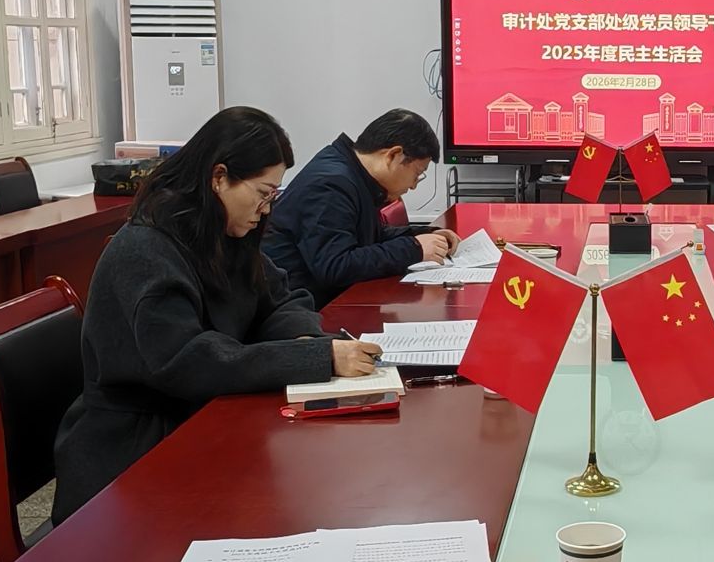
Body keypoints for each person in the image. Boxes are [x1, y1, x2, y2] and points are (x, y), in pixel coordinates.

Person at [53, 107, 381, 525]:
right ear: (219, 177)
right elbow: (189, 360)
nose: (266, 209)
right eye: (262, 193)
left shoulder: (223, 232)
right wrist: (314, 359)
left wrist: (303, 341)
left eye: (273, 196)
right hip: (134, 452)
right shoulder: (146, 248)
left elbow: (279, 299)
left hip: (199, 414)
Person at [264, 108, 458, 307]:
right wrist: (414, 249)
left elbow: (367, 237)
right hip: (302, 308)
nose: (414, 185)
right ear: (393, 155)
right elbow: (336, 266)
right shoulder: (331, 184)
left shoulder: (353, 174)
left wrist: (423, 234)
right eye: (417, 174)